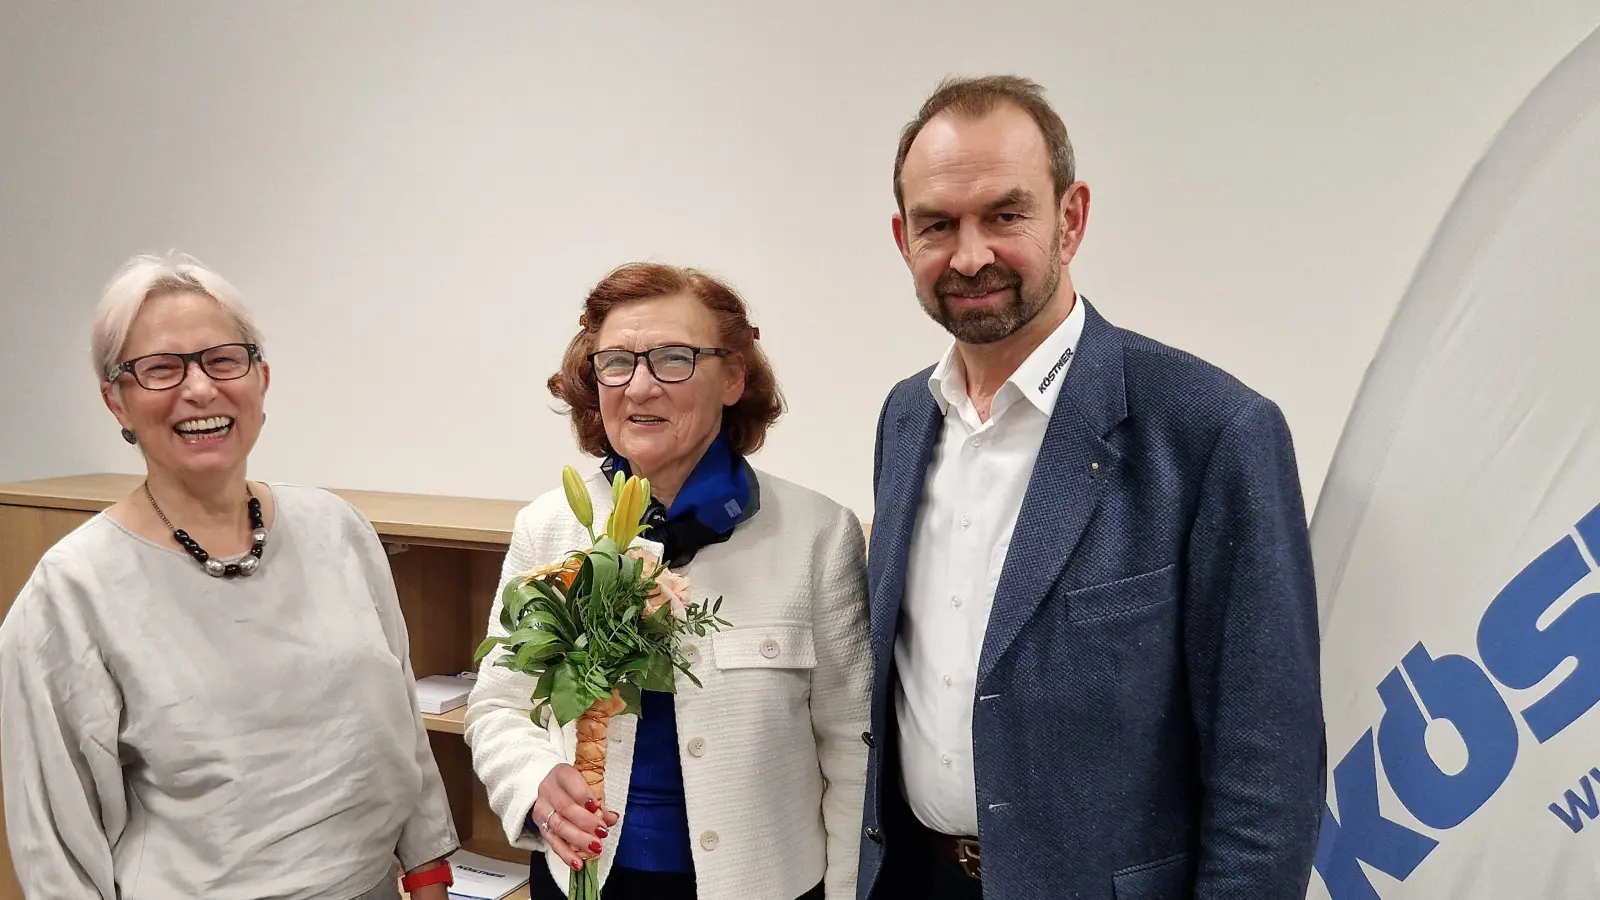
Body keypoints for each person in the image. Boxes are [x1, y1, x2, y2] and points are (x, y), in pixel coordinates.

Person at [856, 76, 1325, 900]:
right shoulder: (905, 418)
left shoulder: (1212, 431)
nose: (970, 256)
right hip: (917, 881)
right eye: (939, 225)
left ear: (1070, 218)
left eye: (1006, 215)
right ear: (902, 238)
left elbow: (1268, 768)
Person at [0, 254, 460, 899]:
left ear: (261, 378)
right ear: (117, 401)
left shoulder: (336, 529)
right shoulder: (73, 591)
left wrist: (430, 869)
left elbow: (400, 730)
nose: (199, 390)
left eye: (222, 359)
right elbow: (55, 845)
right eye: (161, 368)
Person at [463, 262, 871, 900]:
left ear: (733, 376)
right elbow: (497, 706)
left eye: (674, 359)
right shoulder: (550, 528)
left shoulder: (818, 535)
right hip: (589, 876)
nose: (640, 387)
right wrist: (533, 783)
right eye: (616, 362)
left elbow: (851, 746)